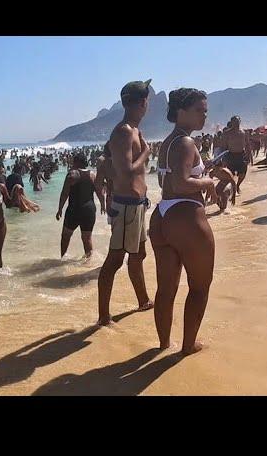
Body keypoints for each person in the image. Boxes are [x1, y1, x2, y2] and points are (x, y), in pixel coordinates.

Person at [149, 88, 216, 355]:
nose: (204, 115)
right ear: (181, 112)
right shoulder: (186, 143)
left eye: (205, 110)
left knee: (166, 289)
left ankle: (164, 344)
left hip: (162, 216)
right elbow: (181, 182)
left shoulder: (168, 142)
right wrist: (208, 181)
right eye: (199, 110)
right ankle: (188, 346)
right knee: (199, 287)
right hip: (187, 218)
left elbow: (168, 180)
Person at [97, 80, 154, 326]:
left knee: (138, 254)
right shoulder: (123, 132)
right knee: (115, 260)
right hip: (127, 206)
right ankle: (103, 316)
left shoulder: (133, 129)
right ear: (142, 102)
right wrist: (147, 153)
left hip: (137, 204)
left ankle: (143, 300)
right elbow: (126, 170)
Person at [56, 152, 104, 258]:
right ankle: (89, 261)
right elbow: (99, 191)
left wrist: (60, 209)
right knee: (87, 238)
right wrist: (103, 204)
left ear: (77, 162)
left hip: (74, 209)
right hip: (89, 210)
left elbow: (64, 193)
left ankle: (62, 258)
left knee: (66, 236)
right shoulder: (92, 175)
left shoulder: (72, 174)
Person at [224, 116, 249, 194]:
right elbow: (224, 146)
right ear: (231, 123)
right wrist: (224, 159)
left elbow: (247, 144)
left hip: (242, 155)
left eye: (238, 121)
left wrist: (249, 156)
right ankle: (233, 187)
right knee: (230, 174)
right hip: (231, 155)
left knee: (243, 174)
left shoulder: (243, 132)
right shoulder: (227, 133)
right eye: (234, 122)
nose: (236, 123)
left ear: (240, 122)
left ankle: (237, 185)